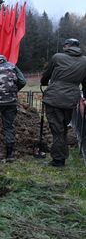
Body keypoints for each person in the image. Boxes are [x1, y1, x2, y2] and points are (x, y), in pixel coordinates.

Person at [41, 38, 86, 167]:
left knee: (57, 130)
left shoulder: (57, 57)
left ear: (69, 46)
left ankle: (58, 160)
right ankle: (61, 155)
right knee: (63, 128)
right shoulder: (84, 60)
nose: (64, 46)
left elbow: (46, 74)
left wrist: (44, 82)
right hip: (71, 98)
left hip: (54, 97)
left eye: (65, 45)